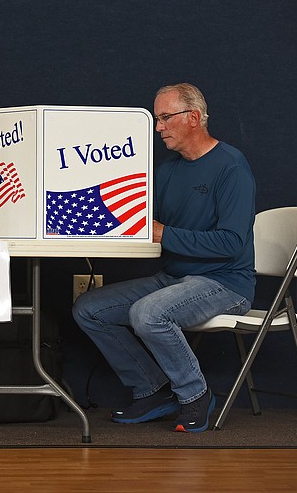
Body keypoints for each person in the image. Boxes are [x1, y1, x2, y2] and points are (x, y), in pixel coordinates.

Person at [72, 83, 256, 433]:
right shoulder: (168, 169)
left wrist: (164, 234)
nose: (158, 127)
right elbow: (139, 220)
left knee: (148, 312)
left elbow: (231, 243)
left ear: (194, 117)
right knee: (88, 309)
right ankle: (152, 390)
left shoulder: (231, 166)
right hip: (174, 277)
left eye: (165, 117)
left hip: (225, 282)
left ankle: (196, 395)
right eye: (157, 119)